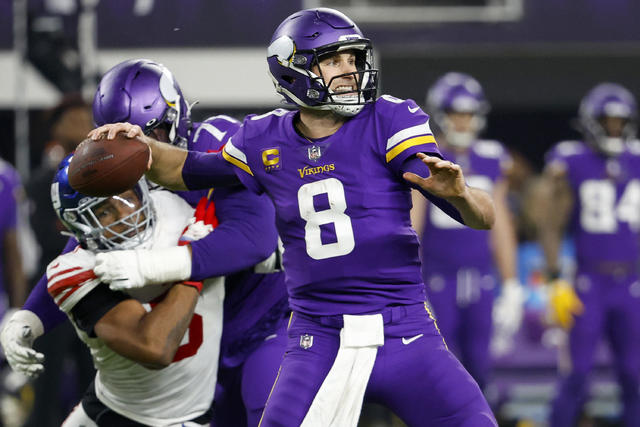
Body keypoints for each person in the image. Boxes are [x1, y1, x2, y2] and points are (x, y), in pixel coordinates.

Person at [90, 8, 497, 426]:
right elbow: (183, 169)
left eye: (353, 59)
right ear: (293, 69)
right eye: (333, 60)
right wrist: (136, 144)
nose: (349, 70)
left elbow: (484, 218)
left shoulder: (389, 119)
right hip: (316, 336)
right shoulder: (263, 138)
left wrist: (462, 195)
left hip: (404, 330)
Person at [1, 59, 288, 427]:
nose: (143, 151)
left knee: (271, 415)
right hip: (200, 339)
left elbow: (255, 239)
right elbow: (83, 244)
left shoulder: (216, 148)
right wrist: (32, 316)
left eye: (153, 135)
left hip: (263, 320)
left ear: (177, 118)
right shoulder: (122, 172)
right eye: (127, 139)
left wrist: (159, 265)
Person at [48, 154, 224, 426]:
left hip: (188, 415)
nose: (126, 214)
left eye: (128, 197)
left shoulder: (174, 209)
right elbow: (154, 348)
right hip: (114, 413)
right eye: (105, 210)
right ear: (78, 225)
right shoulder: (76, 270)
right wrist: (195, 261)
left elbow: (256, 241)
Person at [534, 82, 640, 426]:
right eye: (608, 121)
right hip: (589, 280)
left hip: (633, 281)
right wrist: (553, 278)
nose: (614, 128)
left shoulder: (635, 159)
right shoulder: (572, 159)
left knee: (634, 373)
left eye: (619, 121)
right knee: (577, 372)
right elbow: (550, 222)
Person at [411, 72, 525, 389]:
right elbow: (413, 228)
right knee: (438, 370)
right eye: (455, 114)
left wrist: (512, 284)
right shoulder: (424, 156)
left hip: (480, 277)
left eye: (468, 114)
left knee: (481, 368)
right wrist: (413, 285)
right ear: (440, 115)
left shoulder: (492, 158)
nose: (462, 122)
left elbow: (501, 225)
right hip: (437, 277)